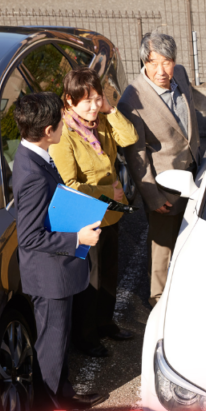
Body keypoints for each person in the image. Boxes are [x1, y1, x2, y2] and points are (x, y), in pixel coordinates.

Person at [11, 92, 108, 408]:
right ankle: (51, 409)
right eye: (60, 123)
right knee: (52, 345)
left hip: (51, 271)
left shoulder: (31, 155)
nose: (65, 126)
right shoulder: (33, 176)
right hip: (49, 276)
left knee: (58, 339)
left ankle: (61, 394)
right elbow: (29, 237)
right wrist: (78, 238)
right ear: (48, 131)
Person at [50, 68, 139, 358]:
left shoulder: (100, 121)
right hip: (85, 217)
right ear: (69, 101)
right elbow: (69, 185)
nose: (93, 106)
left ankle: (105, 324)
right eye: (86, 101)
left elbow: (129, 137)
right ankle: (86, 337)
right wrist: (107, 194)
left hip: (110, 213)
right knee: (91, 280)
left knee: (109, 273)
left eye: (97, 98)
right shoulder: (64, 135)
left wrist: (109, 109)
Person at [118, 32, 201, 307]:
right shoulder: (132, 100)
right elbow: (136, 155)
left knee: (189, 238)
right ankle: (158, 299)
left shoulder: (181, 76)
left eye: (166, 62)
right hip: (165, 187)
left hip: (194, 172)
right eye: (153, 63)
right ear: (144, 62)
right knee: (162, 245)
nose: (161, 70)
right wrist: (153, 197)